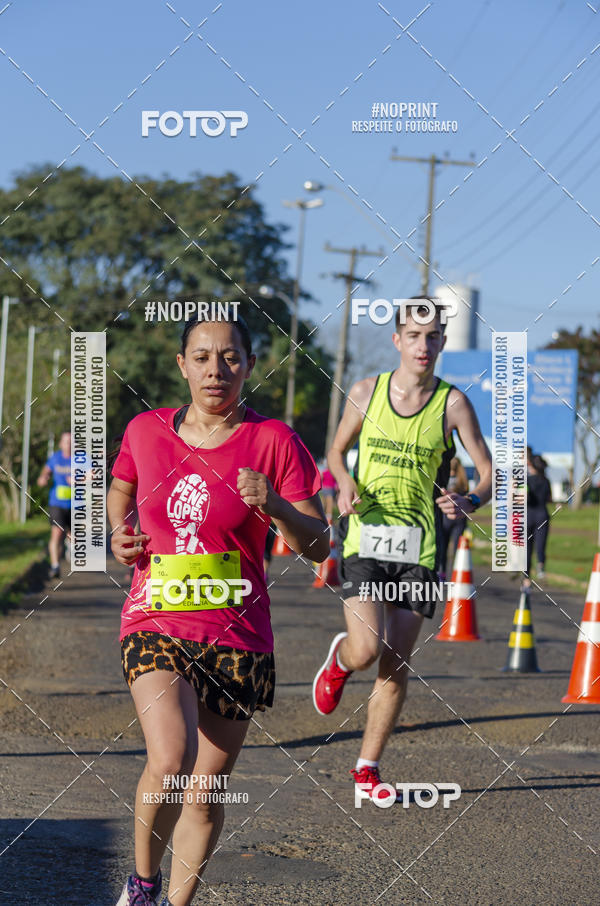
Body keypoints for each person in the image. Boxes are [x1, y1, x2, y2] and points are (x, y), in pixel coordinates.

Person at [108, 313, 329, 906]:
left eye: (230, 357)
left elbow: (319, 544)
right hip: (155, 619)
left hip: (238, 634)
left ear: (250, 366)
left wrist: (277, 503)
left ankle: (177, 902)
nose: (216, 369)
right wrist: (118, 532)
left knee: (206, 791)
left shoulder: (275, 441)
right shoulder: (145, 431)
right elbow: (121, 491)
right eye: (202, 357)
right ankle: (143, 883)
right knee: (172, 756)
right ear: (182, 365)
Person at [312, 298, 492, 801]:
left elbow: (489, 470)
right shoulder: (367, 393)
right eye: (414, 335)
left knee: (395, 659)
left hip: (420, 547)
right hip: (367, 538)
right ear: (397, 341)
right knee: (367, 649)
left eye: (433, 336)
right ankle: (342, 663)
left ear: (441, 342)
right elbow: (334, 449)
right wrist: (343, 482)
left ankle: (367, 770)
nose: (424, 345)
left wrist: (470, 497)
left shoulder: (452, 404)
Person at [37, 431, 72, 578]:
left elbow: (92, 476)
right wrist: (43, 478)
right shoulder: (55, 458)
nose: (68, 445)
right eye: (65, 441)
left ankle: (69, 547)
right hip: (57, 503)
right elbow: (45, 473)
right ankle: (55, 566)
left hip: (76, 505)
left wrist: (81, 479)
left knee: (73, 536)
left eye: (71, 442)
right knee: (56, 532)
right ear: (60, 444)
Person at [435, 456, 469, 580]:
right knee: (451, 548)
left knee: (447, 547)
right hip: (457, 519)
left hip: (448, 518)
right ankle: (453, 574)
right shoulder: (462, 482)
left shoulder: (452, 480)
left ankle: (445, 573)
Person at [522, 450, 552, 590]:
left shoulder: (526, 480)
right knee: (541, 546)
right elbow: (549, 499)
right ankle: (541, 567)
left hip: (528, 515)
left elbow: (524, 497)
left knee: (527, 548)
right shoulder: (546, 481)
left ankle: (526, 578)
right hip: (543, 515)